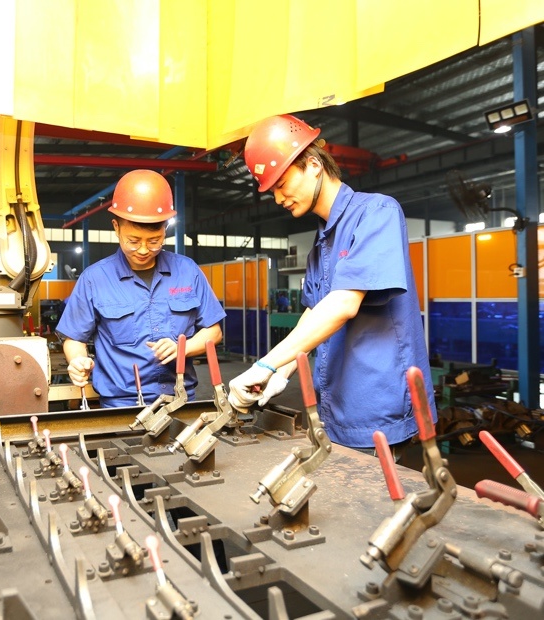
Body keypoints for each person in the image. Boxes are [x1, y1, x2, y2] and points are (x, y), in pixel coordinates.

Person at [227, 114, 436, 456]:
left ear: (312, 165)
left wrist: (263, 363)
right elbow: (313, 312)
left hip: (375, 407)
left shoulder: (377, 212)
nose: (279, 198)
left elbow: (343, 304)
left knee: (372, 506)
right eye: (272, 191)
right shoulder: (321, 242)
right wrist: (283, 369)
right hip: (335, 406)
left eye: (281, 184)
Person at [56, 169, 226, 407]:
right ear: (116, 227)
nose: (144, 250)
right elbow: (74, 337)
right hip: (122, 405)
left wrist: (182, 348)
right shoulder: (94, 279)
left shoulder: (188, 271)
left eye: (154, 241)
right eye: (133, 241)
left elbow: (213, 331)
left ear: (165, 228)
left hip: (181, 400)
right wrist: (78, 362)